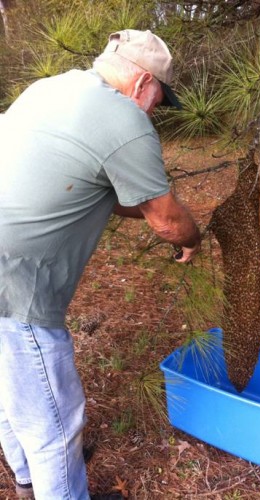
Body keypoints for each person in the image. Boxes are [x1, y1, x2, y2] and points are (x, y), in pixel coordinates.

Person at [0, 29, 201, 500]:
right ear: (143, 83)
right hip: (16, 283)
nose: (154, 108)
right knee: (54, 419)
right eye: (159, 98)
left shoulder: (49, 87)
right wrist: (192, 237)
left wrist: (151, 207)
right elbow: (169, 223)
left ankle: (29, 483)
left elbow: (89, 185)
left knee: (12, 395)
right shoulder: (124, 118)